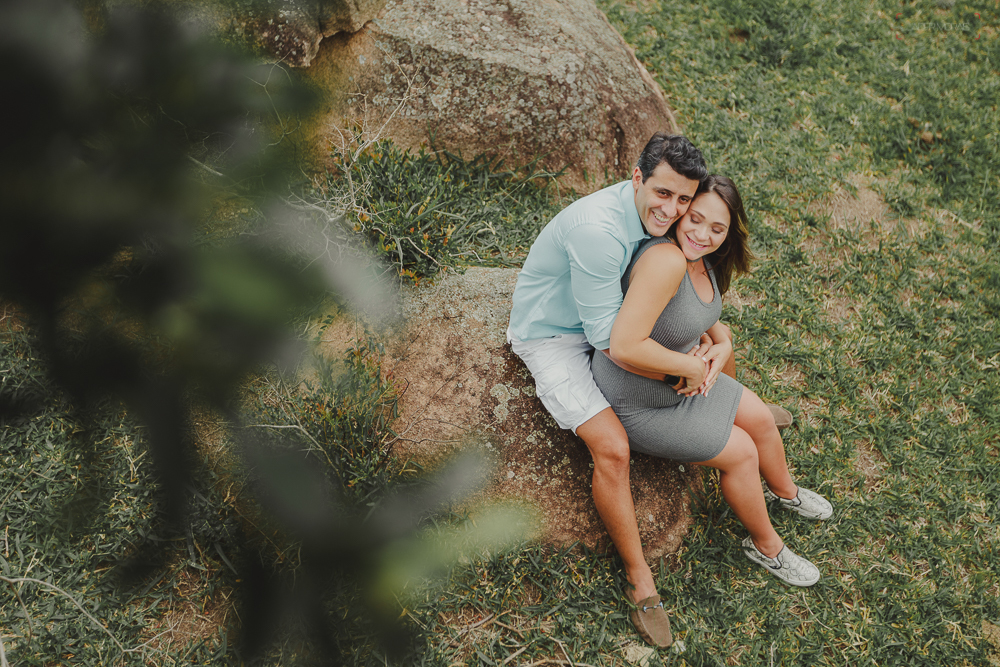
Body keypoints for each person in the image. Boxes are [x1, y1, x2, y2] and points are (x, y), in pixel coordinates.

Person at [507, 133, 791, 648]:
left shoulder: (658, 221)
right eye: (663, 194)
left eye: (683, 199)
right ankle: (640, 579)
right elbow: (614, 344)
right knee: (613, 448)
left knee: (709, 349)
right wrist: (686, 369)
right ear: (637, 178)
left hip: (611, 323)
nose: (673, 210)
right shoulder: (599, 231)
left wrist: (718, 338)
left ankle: (734, 410)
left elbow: (665, 302)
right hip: (557, 336)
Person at [591, 174, 833, 621]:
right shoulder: (663, 260)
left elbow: (700, 314)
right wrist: (695, 365)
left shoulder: (704, 260)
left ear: (728, 234)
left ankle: (786, 492)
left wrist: (722, 343)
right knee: (742, 452)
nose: (702, 234)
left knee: (760, 419)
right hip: (640, 400)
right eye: (695, 219)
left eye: (717, 228)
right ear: (682, 213)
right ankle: (766, 547)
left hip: (686, 377)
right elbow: (627, 344)